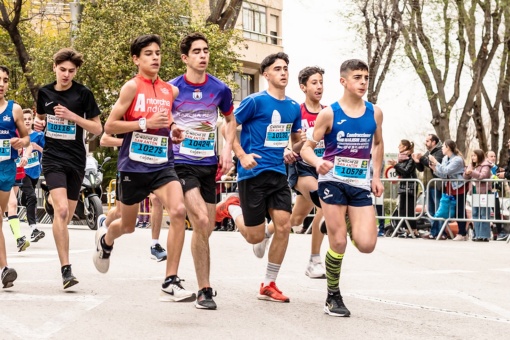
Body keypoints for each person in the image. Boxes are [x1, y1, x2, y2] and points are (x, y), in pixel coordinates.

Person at [92, 34, 195, 303]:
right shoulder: (131, 87)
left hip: (162, 164)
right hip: (134, 166)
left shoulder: (169, 91)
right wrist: (143, 124)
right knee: (127, 226)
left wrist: (174, 130)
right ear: (136, 59)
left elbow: (168, 121)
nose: (155, 58)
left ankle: (170, 279)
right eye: (148, 53)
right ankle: (105, 241)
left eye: (158, 52)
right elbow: (110, 127)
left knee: (179, 210)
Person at [299, 59, 384, 317]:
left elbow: (378, 144)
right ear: (343, 81)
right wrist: (317, 162)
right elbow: (305, 149)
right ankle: (333, 296)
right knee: (339, 242)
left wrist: (376, 176)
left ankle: (342, 221)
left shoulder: (375, 112)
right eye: (357, 77)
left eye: (366, 77)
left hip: (359, 184)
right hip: (332, 181)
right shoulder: (330, 114)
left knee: (367, 244)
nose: (363, 82)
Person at [216, 52, 302, 303]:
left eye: (285, 68)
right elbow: (226, 126)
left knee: (285, 226)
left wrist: (291, 151)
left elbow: (295, 142)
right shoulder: (255, 101)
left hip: (277, 173)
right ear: (266, 75)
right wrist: (241, 155)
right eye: (277, 69)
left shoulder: (293, 107)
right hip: (252, 173)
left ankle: (269, 283)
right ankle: (232, 208)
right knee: (254, 237)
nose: (283, 72)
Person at [168, 32, 236, 310]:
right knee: (200, 220)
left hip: (208, 164)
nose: (203, 55)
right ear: (185, 58)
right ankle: (204, 290)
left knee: (204, 229)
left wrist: (228, 149)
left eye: (206, 50)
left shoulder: (220, 89)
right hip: (181, 162)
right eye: (196, 51)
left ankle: (193, 279)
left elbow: (230, 120)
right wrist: (171, 128)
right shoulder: (171, 89)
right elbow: (163, 119)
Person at [34, 47, 102, 289]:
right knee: (63, 211)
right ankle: (66, 269)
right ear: (54, 67)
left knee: (67, 212)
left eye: (71, 71)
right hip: (53, 158)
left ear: (76, 72)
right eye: (62, 70)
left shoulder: (83, 94)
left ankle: (52, 201)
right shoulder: (44, 92)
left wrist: (74, 117)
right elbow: (40, 119)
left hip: (76, 160)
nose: (66, 75)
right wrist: (37, 123)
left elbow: (97, 129)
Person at [251, 66, 327, 279]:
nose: (319, 86)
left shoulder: (328, 112)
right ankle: (314, 260)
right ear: (303, 87)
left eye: (321, 82)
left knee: (294, 220)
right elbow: (283, 138)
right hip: (301, 167)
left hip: (322, 167)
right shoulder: (296, 111)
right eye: (314, 82)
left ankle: (267, 232)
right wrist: (286, 149)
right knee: (324, 197)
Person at [98, 133, 167, 261]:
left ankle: (155, 244)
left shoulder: (156, 114)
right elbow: (104, 140)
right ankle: (104, 224)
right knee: (120, 214)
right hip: (129, 167)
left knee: (156, 199)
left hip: (153, 165)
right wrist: (129, 143)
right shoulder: (124, 115)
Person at [0, 65, 30, 288]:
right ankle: (4, 269)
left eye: (6, 80)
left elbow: (27, 138)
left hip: (6, 168)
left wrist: (20, 142)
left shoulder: (15, 110)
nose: (2, 84)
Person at [428, 139, 467, 240]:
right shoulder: (445, 158)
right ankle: (461, 232)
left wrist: (436, 162)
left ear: (448, 147)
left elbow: (446, 170)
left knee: (460, 210)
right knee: (452, 210)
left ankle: (462, 233)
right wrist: (434, 169)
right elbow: (443, 174)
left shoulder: (457, 159)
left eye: (443, 146)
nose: (441, 148)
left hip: (459, 187)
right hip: (449, 187)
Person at [20, 108, 45, 243]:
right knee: (32, 197)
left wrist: (37, 147)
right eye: (24, 119)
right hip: (22, 171)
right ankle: (34, 229)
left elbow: (47, 152)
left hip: (35, 172)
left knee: (26, 200)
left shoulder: (38, 136)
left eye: (29, 119)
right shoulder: (18, 136)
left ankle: (22, 200)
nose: (27, 121)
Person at [412, 134, 444, 230]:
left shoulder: (439, 152)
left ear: (434, 142)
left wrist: (422, 158)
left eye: (427, 141)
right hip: (427, 185)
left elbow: (433, 165)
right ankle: (433, 232)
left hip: (436, 185)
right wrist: (417, 161)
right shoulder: (428, 153)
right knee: (430, 210)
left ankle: (441, 231)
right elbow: (422, 169)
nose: (425, 143)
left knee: (438, 209)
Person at [387, 140, 418, 238]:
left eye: (400, 145)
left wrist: (395, 165)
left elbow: (406, 170)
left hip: (411, 186)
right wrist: (395, 166)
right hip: (403, 186)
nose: (398, 147)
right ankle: (406, 229)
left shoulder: (411, 158)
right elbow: (400, 173)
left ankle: (413, 230)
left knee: (410, 209)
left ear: (405, 147)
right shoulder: (401, 159)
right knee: (403, 209)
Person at [464, 149, 492, 241]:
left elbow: (482, 176)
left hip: (485, 192)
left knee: (484, 214)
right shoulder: (472, 165)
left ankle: (484, 235)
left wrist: (471, 172)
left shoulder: (486, 165)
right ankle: (477, 234)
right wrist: (468, 172)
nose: (472, 157)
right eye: (472, 156)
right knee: (476, 213)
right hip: (475, 192)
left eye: (474, 156)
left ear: (479, 156)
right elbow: (465, 176)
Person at [8, 143, 31, 252]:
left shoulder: (17, 128)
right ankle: (19, 239)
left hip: (16, 171)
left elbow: (29, 145)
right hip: (3, 171)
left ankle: (18, 240)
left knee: (8, 207)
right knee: (12, 203)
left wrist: (25, 156)